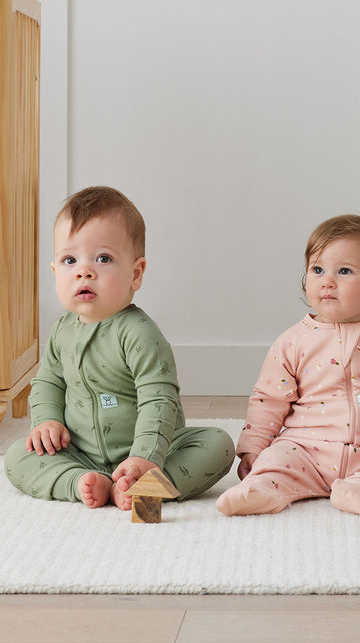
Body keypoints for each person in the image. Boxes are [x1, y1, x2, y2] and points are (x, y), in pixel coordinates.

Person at [4, 186, 234, 510]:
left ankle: (144, 481)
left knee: (219, 445)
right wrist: (47, 421)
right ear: (55, 271)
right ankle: (81, 482)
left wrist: (144, 457)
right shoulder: (61, 330)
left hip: (151, 451)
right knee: (16, 458)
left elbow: (159, 398)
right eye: (70, 260)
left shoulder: (138, 333)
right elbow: (48, 383)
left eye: (103, 258)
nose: (84, 270)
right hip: (81, 452)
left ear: (135, 274)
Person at [216, 214, 360, 516]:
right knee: (274, 459)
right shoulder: (293, 341)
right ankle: (261, 490)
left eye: (344, 271)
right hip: (304, 452)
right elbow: (267, 400)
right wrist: (253, 449)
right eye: (318, 269)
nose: (327, 281)